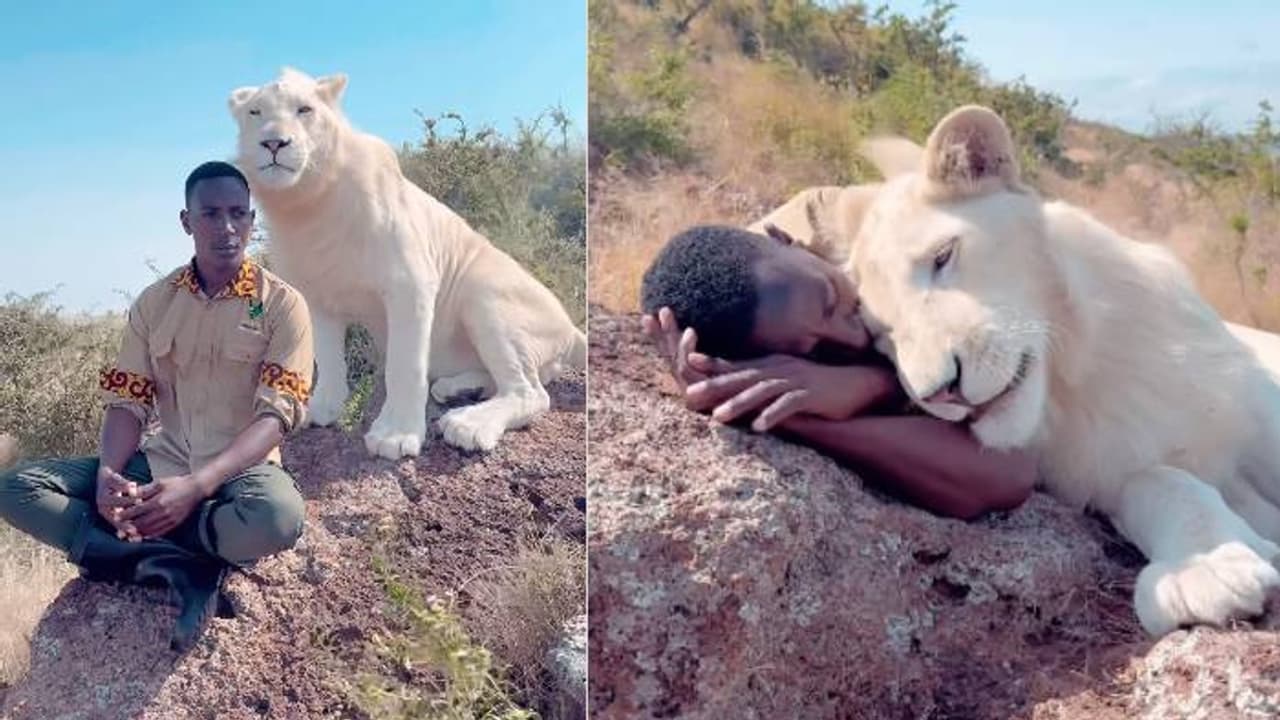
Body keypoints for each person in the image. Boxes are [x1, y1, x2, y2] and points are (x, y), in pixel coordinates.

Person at [0, 161, 314, 651]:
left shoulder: (282, 304)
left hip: (238, 475)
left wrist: (195, 488)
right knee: (16, 488)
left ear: (253, 220)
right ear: (186, 221)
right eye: (210, 214)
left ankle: (133, 543)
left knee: (278, 519)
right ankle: (179, 564)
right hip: (161, 462)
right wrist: (110, 473)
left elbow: (277, 416)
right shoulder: (154, 302)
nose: (226, 228)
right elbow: (129, 399)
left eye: (238, 214)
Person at [640, 224, 1036, 519]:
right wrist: (788, 418)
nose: (851, 338)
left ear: (786, 238)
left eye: (831, 299)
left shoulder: (913, 255)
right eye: (814, 351)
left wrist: (866, 385)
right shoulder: (787, 338)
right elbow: (1004, 475)